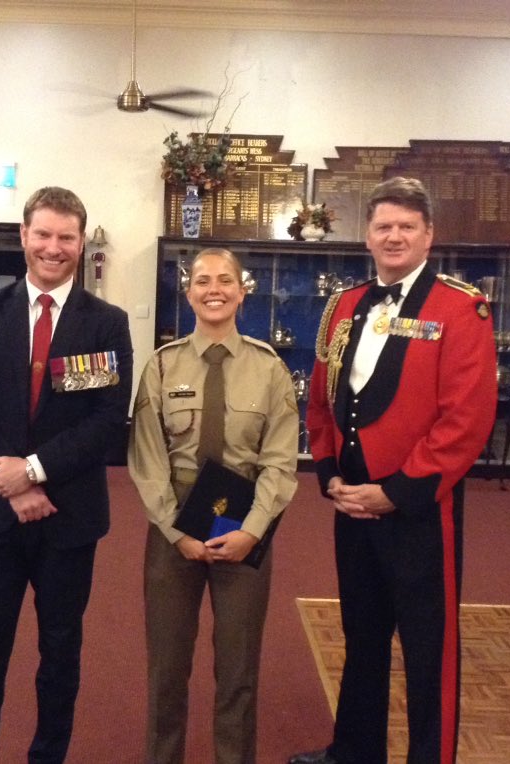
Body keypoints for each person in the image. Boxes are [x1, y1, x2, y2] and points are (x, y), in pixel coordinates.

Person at [289, 177, 497, 764]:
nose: (395, 235)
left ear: (429, 235)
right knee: (364, 638)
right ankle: (354, 751)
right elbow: (323, 397)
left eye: (407, 226)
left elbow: (467, 420)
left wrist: (398, 492)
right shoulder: (345, 306)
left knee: (429, 652)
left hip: (419, 511)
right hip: (352, 503)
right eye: (384, 226)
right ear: (368, 235)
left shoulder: (461, 308)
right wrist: (328, 469)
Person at [0, 186, 133, 764]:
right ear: (23, 236)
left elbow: (105, 421)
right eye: (44, 235)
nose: (54, 248)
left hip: (68, 518)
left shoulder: (106, 323)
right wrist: (14, 485)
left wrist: (30, 472)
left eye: (67, 237)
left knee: (60, 657)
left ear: (81, 243)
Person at [128, 247, 299, 764]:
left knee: (239, 670)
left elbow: (279, 462)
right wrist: (175, 531)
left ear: (242, 291)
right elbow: (148, 458)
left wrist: (252, 529)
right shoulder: (162, 365)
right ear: (189, 293)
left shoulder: (269, 370)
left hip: (244, 527)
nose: (214, 289)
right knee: (167, 668)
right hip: (173, 529)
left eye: (225, 280)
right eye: (202, 281)